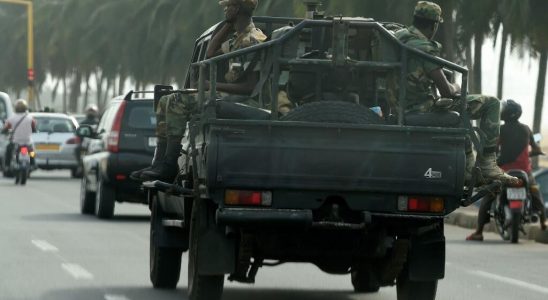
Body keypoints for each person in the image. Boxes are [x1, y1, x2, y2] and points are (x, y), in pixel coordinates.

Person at [131, 0, 266, 182]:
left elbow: (250, 87)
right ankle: (159, 162)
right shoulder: (238, 37)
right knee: (164, 100)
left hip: (243, 100)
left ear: (239, 8)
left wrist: (213, 86)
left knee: (178, 100)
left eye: (230, 6)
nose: (225, 9)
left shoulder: (253, 40)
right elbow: (210, 53)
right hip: (231, 96)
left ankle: (169, 166)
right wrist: (228, 23)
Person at [394, 1, 519, 186]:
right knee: (492, 103)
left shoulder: (398, 37)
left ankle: (468, 170)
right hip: (421, 108)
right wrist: (457, 88)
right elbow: (445, 90)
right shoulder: (423, 46)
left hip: (401, 105)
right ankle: (487, 165)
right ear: (433, 25)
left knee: (460, 113)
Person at [466, 100, 546, 241]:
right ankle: (543, 222)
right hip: (524, 171)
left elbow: (494, 149)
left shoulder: (500, 130)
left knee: (488, 196)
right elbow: (537, 149)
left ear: (508, 114)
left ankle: (479, 232)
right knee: (535, 191)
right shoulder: (526, 129)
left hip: (504, 172)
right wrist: (530, 154)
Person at [1, 99, 36, 168]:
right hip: (27, 141)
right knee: (32, 152)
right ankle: (33, 163)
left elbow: (6, 128)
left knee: (8, 150)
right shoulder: (30, 118)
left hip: (16, 142)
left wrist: (3, 131)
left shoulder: (12, 118)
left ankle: (7, 165)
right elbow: (34, 127)